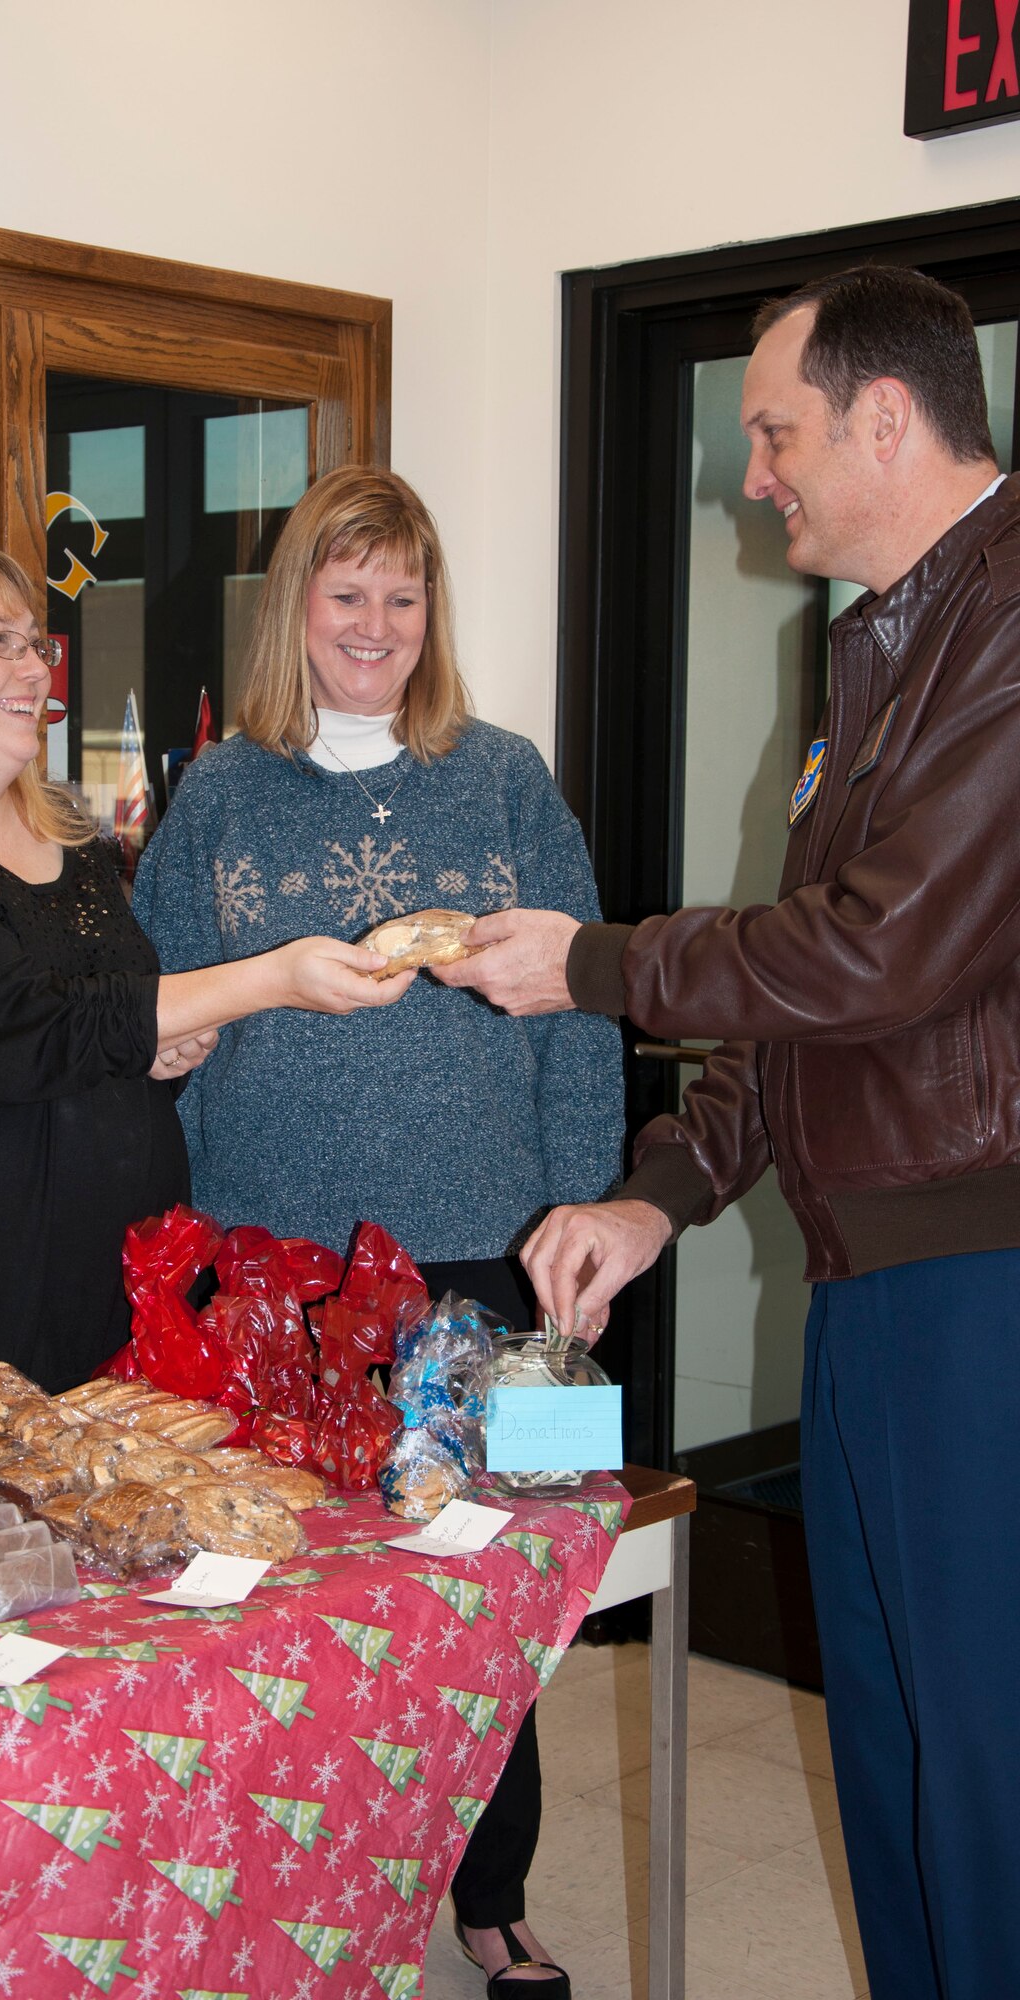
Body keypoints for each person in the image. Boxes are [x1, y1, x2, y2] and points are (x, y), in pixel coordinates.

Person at [436, 264, 1020, 2000]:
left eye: (771, 433)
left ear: (884, 420)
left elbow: (880, 947)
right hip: (874, 1282)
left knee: (980, 1764)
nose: (746, 474)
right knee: (896, 1755)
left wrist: (595, 965)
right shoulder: (876, 635)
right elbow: (807, 998)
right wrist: (658, 1194)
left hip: (977, 1277)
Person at [134, 465, 624, 1997]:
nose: (374, 624)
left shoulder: (503, 778)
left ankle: (495, 1896)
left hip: (496, 1251)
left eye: (402, 596)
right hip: (280, 1270)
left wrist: (585, 1221)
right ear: (298, 608)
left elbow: (585, 1012)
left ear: (432, 615)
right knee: (283, 1603)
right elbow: (153, 1027)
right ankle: (298, 1893)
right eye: (346, 593)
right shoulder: (218, 794)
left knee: (499, 1595)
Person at [0, 545, 413, 1459]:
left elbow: (99, 1030)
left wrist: (161, 1057)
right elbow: (18, 1029)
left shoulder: (69, 840)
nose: (32, 667)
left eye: (34, 643)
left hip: (101, 1354)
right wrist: (274, 976)